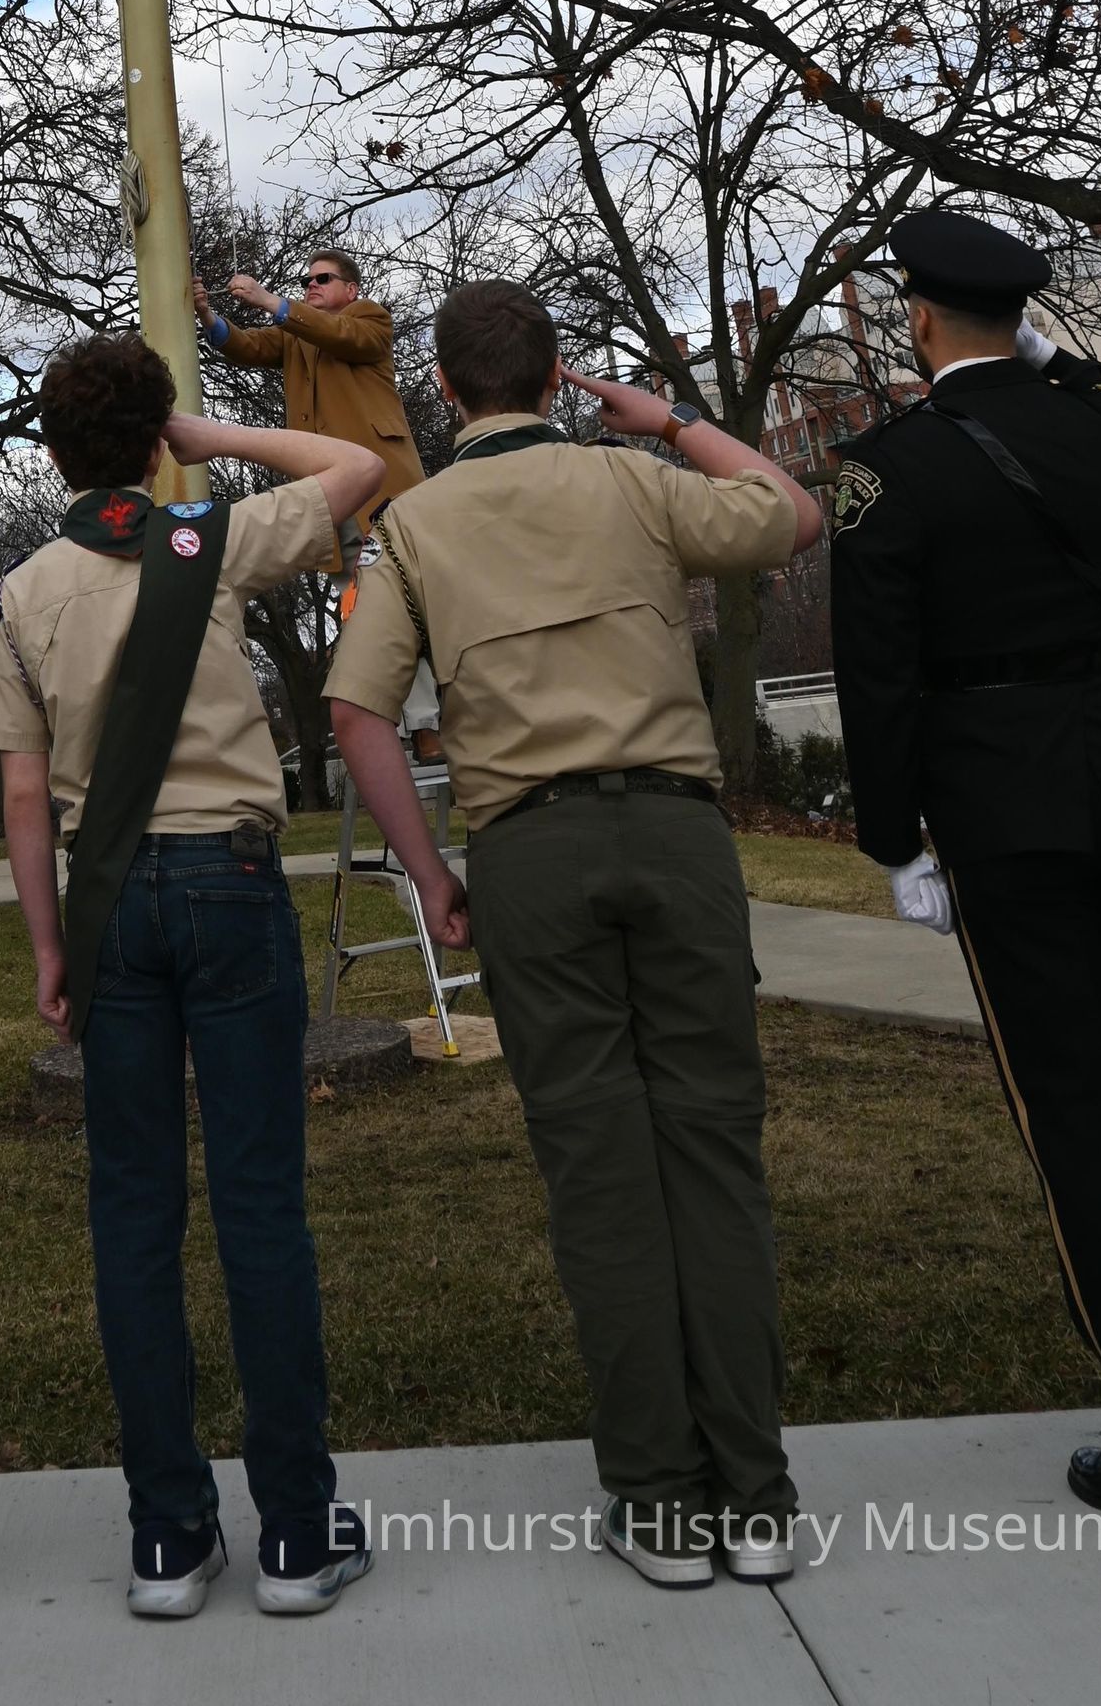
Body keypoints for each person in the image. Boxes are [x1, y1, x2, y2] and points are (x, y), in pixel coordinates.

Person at [326, 280, 822, 1593]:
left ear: (444, 388)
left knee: (601, 1176)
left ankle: (658, 1503)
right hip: (676, 834)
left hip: (530, 855)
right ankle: (756, 1498)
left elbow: (359, 715)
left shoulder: (410, 526)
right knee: (712, 1157)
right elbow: (792, 513)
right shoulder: (635, 481)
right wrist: (670, 422)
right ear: (555, 377)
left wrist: (430, 872)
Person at [829, 203, 1101, 1541]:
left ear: (916, 316)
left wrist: (895, 839)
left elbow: (877, 677)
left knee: (1082, 1122)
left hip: (1008, 816)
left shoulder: (885, 472)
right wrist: (1064, 372)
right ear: (1020, 316)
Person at [0, 331, 384, 1623]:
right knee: (260, 1206)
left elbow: (26, 797)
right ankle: (297, 1534)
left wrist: (50, 947)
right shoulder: (207, 541)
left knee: (133, 1217)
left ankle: (166, 1536)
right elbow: (355, 466)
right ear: (157, 443)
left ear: (54, 453)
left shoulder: (20, 594)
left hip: (110, 910)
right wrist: (209, 444)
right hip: (231, 879)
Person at [193, 247, 423, 521]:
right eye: (307, 281)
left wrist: (269, 300)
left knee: (388, 543)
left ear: (351, 290)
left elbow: (342, 334)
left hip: (380, 478)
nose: (312, 284)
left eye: (323, 278)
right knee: (335, 544)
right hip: (323, 479)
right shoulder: (295, 333)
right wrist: (207, 316)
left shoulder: (371, 316)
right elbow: (250, 345)